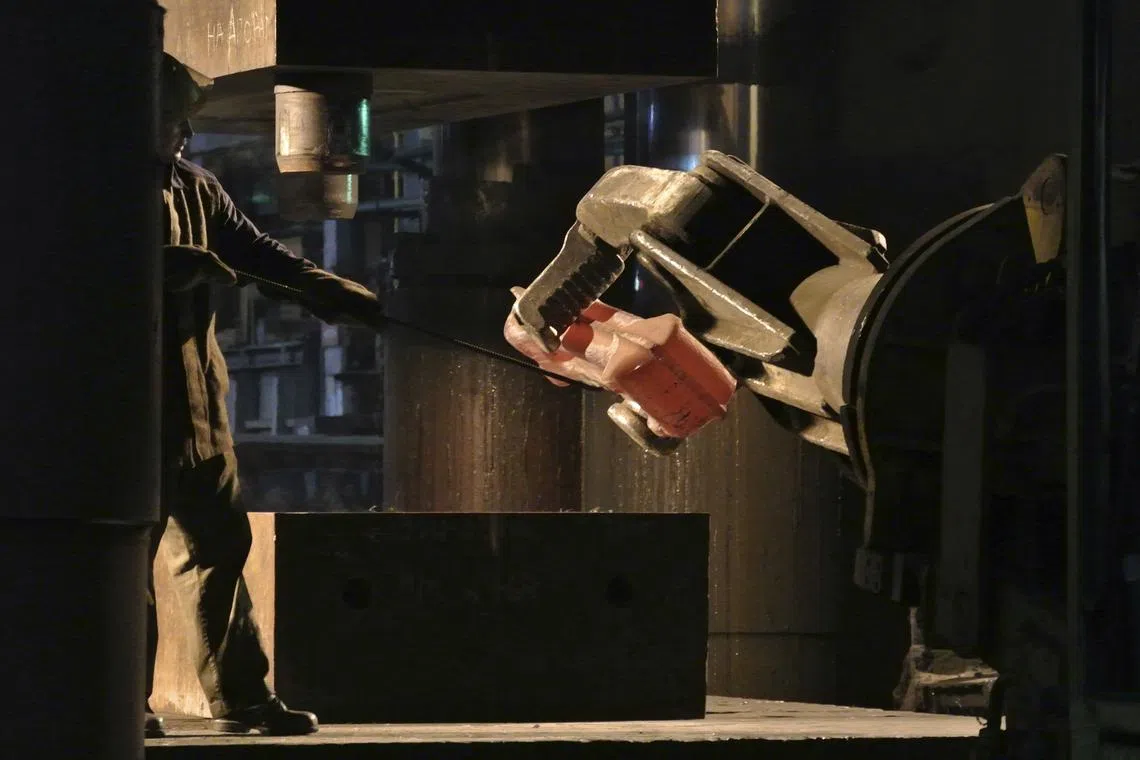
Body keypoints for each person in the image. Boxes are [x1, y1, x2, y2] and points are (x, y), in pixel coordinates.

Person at [146, 53, 383, 739]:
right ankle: (119, 699)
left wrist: (327, 290)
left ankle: (241, 698)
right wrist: (161, 268)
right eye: (170, 118)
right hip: (122, 411)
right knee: (126, 561)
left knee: (220, 546)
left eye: (184, 119)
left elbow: (257, 255)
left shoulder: (195, 187)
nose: (183, 132)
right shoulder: (85, 192)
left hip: (198, 405)